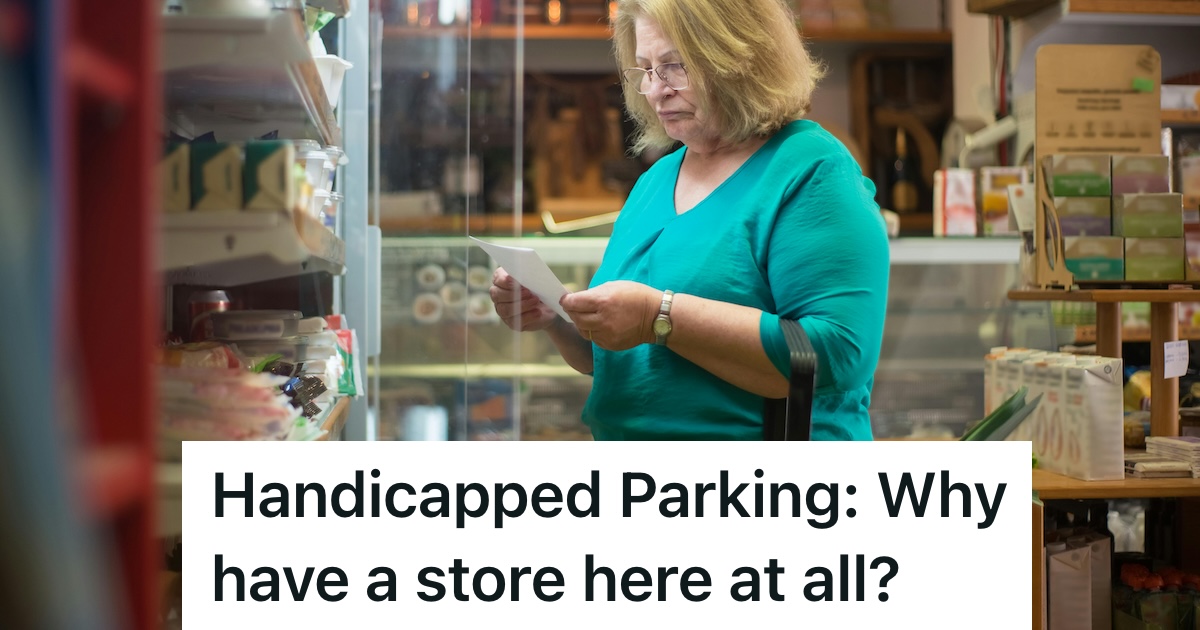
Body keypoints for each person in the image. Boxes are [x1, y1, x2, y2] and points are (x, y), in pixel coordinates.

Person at [489, 0, 889, 440]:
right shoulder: (655, 181)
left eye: (674, 66)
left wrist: (658, 316)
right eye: (644, 70)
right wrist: (560, 319)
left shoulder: (810, 169)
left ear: (740, 58)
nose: (656, 90)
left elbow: (836, 355)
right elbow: (621, 359)